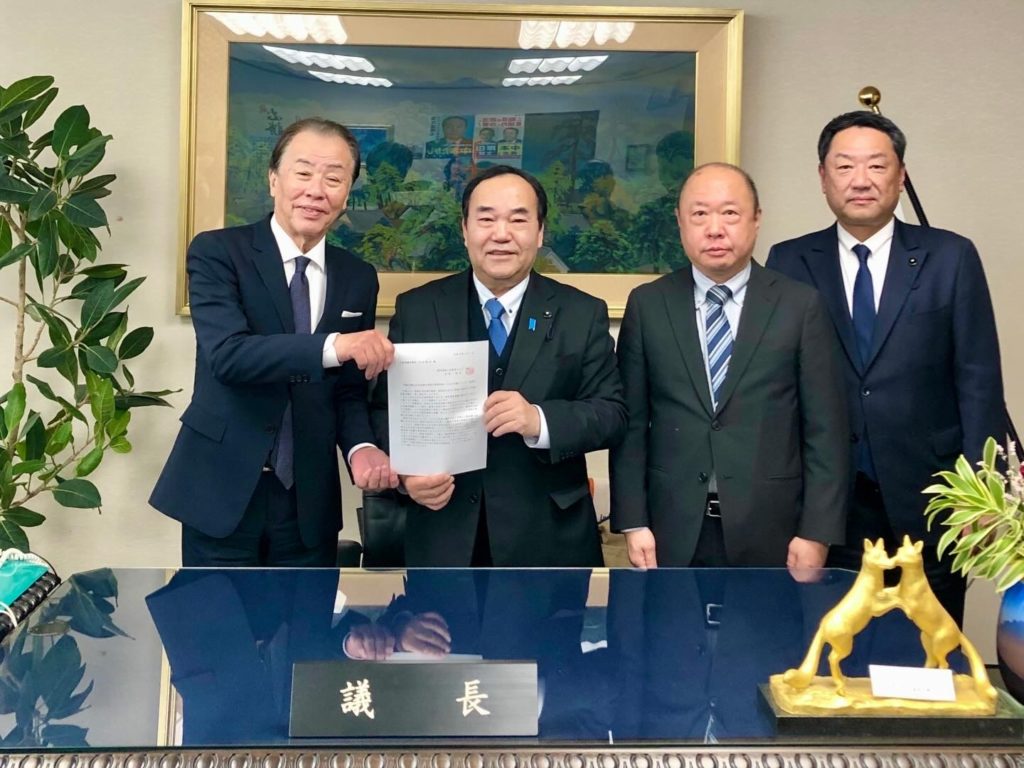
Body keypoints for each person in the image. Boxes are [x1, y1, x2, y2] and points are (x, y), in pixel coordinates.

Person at [765, 111, 1006, 625]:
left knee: (928, 654)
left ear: (901, 176)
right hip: (828, 508)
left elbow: (979, 380)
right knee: (834, 649)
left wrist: (981, 496)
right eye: (845, 166)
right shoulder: (789, 261)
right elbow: (776, 388)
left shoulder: (950, 257)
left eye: (877, 165)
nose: (861, 180)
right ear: (823, 177)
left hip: (932, 501)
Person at [150, 117, 398, 567]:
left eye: (334, 179)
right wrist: (334, 345)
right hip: (222, 489)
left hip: (308, 501)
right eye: (303, 173)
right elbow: (228, 355)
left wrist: (360, 448)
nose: (316, 190)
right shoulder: (218, 252)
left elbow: (347, 390)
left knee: (307, 614)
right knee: (213, 616)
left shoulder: (357, 276)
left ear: (346, 195)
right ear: (273, 180)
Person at [372, 165, 627, 566]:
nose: (501, 234)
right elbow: (383, 409)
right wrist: (406, 476)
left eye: (518, 220)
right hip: (444, 533)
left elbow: (612, 413)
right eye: (486, 219)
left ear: (540, 232)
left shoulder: (581, 313)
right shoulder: (418, 308)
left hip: (549, 540)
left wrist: (539, 420)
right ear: (465, 230)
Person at [610, 163, 849, 570]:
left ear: (756, 219)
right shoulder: (649, 304)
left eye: (730, 213)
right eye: (700, 214)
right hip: (670, 528)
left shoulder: (799, 305)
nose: (715, 229)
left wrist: (816, 532)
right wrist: (633, 522)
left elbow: (825, 430)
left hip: (774, 529)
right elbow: (630, 425)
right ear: (680, 222)